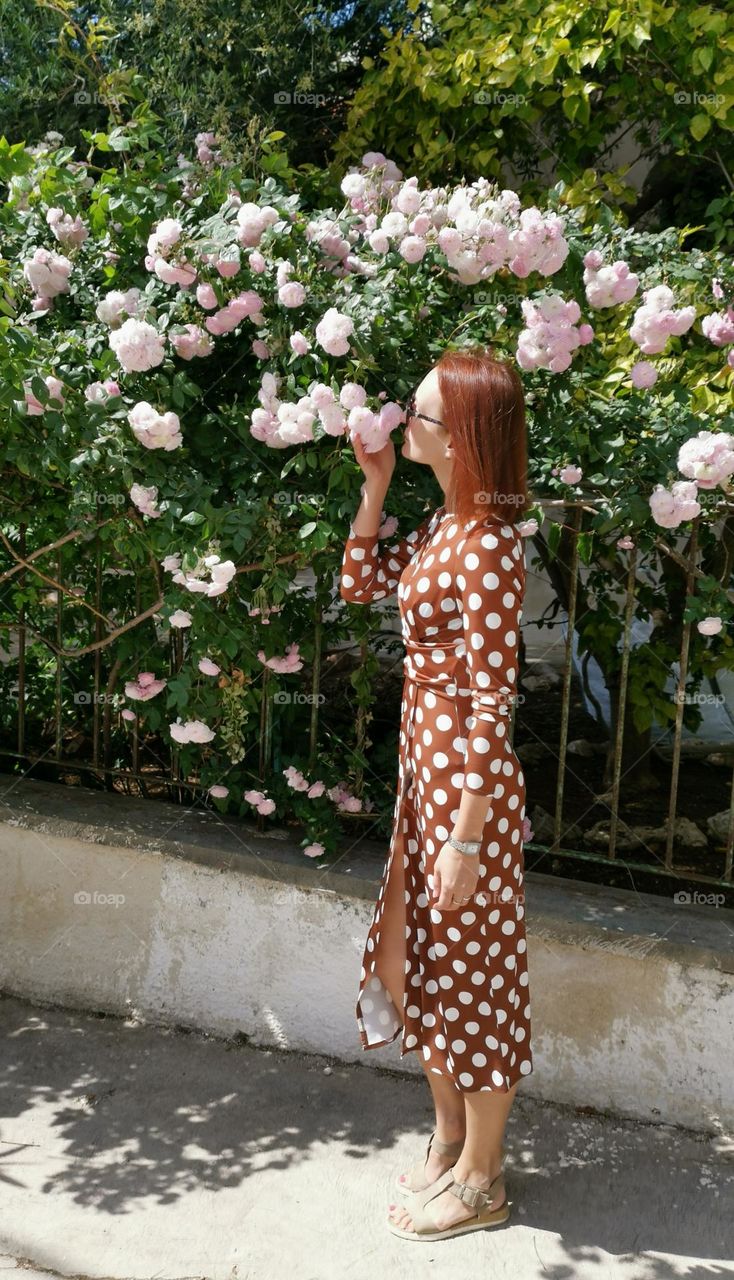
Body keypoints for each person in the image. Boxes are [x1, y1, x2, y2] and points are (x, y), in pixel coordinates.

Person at [339, 345, 532, 1242]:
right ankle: (450, 1139)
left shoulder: (488, 545)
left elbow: (494, 700)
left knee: (479, 979)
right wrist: (375, 488)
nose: (400, 424)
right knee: (424, 968)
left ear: (462, 435)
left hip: (469, 800)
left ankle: (485, 1179)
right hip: (429, 782)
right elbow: (359, 584)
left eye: (415, 416)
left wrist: (464, 837)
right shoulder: (445, 526)